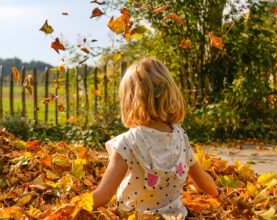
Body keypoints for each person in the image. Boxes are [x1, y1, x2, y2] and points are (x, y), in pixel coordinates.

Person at [91, 58, 219, 218]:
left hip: (134, 216)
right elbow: (204, 182)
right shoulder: (180, 136)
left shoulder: (128, 143)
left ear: (130, 101)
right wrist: (218, 193)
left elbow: (103, 195)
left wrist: (69, 206)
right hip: (177, 216)